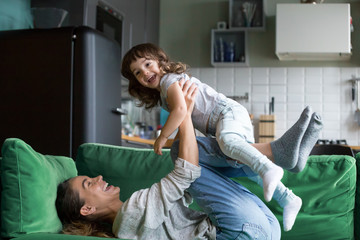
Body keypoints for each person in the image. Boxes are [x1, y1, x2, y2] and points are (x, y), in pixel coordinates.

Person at [121, 43, 323, 231]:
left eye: (148, 64)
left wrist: (162, 137)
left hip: (226, 113)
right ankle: (287, 196)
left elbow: (182, 110)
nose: (145, 72)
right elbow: (184, 115)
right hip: (221, 121)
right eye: (138, 72)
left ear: (161, 61)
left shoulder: (168, 80)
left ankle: (271, 163)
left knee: (228, 144)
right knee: (241, 161)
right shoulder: (164, 93)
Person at [55, 81, 281, 239]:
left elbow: (186, 187)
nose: (99, 177)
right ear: (87, 209)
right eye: (88, 183)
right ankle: (270, 156)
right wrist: (184, 113)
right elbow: (187, 173)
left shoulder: (131, 219)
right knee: (181, 154)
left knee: (191, 156)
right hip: (245, 231)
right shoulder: (131, 214)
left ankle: (266, 160)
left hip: (263, 228)